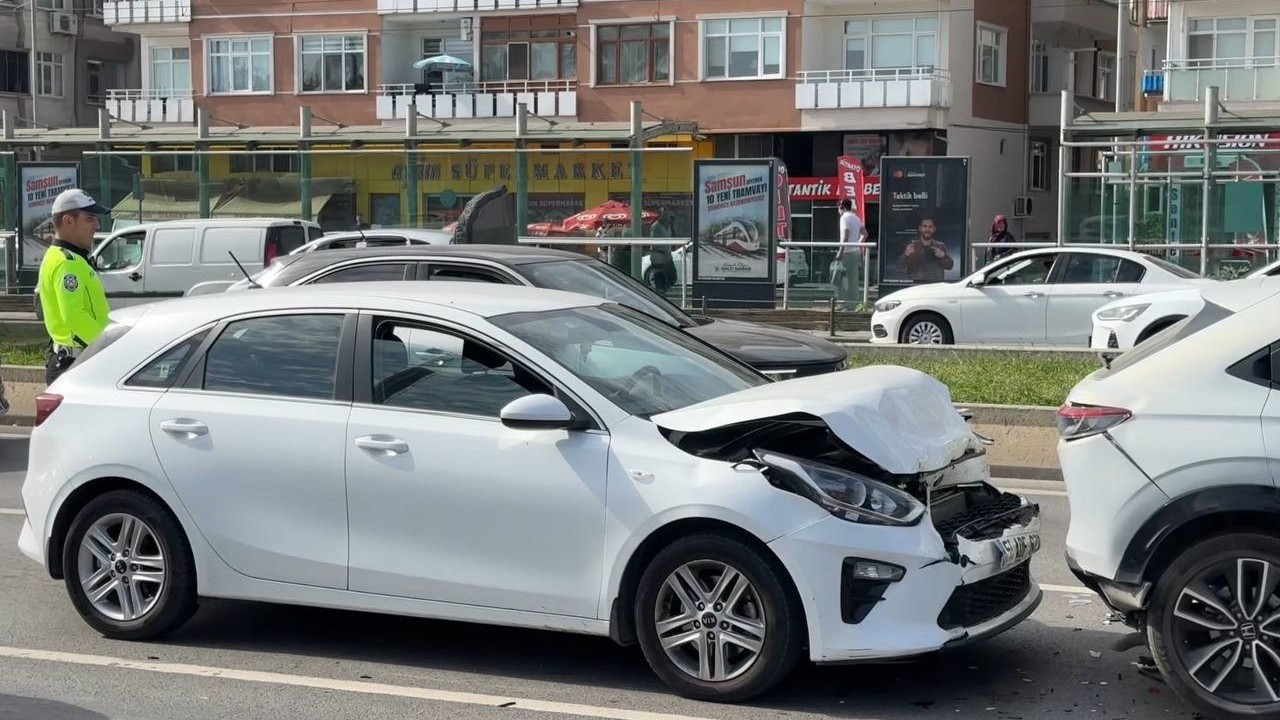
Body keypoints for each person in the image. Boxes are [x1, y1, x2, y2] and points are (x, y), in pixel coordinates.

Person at [37, 189, 110, 384]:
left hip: (76, 361)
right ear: (68, 220)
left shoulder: (67, 257)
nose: (97, 225)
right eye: (90, 219)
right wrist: (109, 346)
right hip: (75, 364)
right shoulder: (66, 261)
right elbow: (74, 315)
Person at [901, 216, 954, 284]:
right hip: (915, 287)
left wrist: (943, 256)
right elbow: (900, 266)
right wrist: (906, 254)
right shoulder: (911, 246)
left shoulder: (940, 245)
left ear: (934, 229)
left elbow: (950, 266)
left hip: (935, 287)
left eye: (930, 227)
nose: (927, 229)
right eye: (925, 226)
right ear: (920, 228)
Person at [834, 198, 868, 305]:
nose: (838, 211)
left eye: (838, 209)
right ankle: (853, 302)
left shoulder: (844, 218)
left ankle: (842, 301)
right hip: (855, 252)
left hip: (846, 252)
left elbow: (846, 235)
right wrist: (857, 244)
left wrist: (841, 251)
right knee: (853, 278)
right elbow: (865, 234)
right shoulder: (856, 218)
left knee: (839, 277)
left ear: (842, 207)